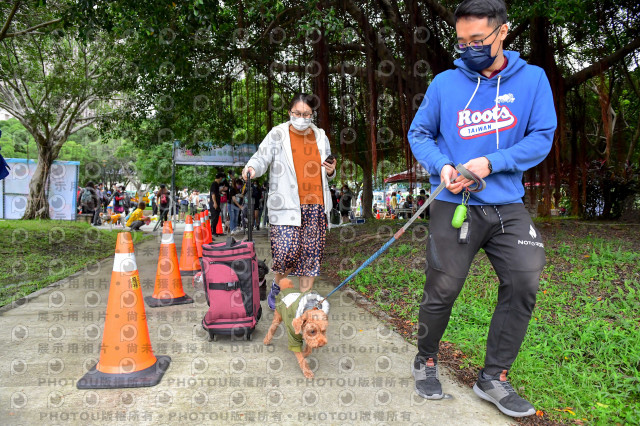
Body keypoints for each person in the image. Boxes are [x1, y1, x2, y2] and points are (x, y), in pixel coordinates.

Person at [407, 0, 557, 418]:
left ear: (502, 32)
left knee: (525, 279)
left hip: (507, 204)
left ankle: (494, 377)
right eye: (461, 41)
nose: (468, 48)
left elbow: (542, 135)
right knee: (443, 288)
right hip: (455, 203)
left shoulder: (533, 80)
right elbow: (419, 132)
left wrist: (492, 162)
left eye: (478, 40)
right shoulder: (444, 84)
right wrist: (444, 165)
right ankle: (426, 359)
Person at [242, 92, 337, 309]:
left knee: (310, 256)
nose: (302, 118)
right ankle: (278, 285)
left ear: (312, 115)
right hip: (285, 204)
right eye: (298, 113)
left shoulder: (320, 136)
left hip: (316, 204)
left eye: (307, 114)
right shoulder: (278, 134)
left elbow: (328, 170)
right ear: (289, 112)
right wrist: (251, 168)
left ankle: (305, 300)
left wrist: (332, 171)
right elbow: (261, 156)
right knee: (286, 253)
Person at [209, 172, 225, 238]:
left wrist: (221, 190)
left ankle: (214, 231)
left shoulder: (216, 185)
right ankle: (212, 231)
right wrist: (215, 203)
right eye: (222, 178)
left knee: (216, 217)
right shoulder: (214, 184)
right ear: (220, 178)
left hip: (217, 203)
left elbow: (216, 192)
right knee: (214, 218)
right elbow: (213, 194)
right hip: (214, 204)